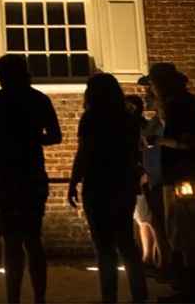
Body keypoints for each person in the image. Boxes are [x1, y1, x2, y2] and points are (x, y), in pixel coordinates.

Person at [0, 54, 61, 303]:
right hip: (32, 172)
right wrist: (31, 139)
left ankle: (13, 298)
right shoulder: (39, 99)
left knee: (11, 240)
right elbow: (55, 136)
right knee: (32, 238)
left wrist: (5, 141)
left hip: (3, 172)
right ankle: (39, 298)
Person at [67, 73, 148, 303]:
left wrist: (74, 182)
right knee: (127, 242)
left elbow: (83, 153)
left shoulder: (90, 119)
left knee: (104, 246)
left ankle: (109, 296)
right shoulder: (128, 119)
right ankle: (139, 294)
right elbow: (134, 153)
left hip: (97, 183)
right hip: (122, 182)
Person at [148, 63, 195, 302]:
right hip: (183, 176)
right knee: (183, 232)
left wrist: (159, 140)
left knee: (186, 233)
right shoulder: (184, 103)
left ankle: (194, 289)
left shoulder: (179, 105)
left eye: (153, 84)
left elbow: (186, 142)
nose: (151, 90)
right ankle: (191, 287)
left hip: (183, 177)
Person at [137, 76, 172, 278]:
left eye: (151, 92)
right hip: (152, 177)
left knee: (162, 223)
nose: (147, 96)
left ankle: (166, 264)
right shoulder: (153, 122)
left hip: (161, 177)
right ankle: (162, 262)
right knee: (156, 221)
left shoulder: (163, 121)